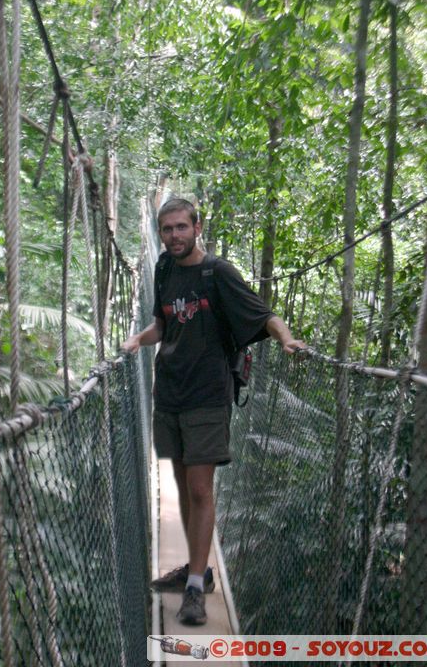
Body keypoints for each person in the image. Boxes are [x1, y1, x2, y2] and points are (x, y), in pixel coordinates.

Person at [122, 197, 305, 625]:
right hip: (169, 392)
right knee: (184, 487)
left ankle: (194, 588)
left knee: (201, 489)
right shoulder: (164, 268)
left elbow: (264, 314)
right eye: (166, 230)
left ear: (197, 227)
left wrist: (286, 338)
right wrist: (136, 341)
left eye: (181, 227)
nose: (173, 237)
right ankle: (197, 571)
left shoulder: (217, 272)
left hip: (207, 394)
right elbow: (163, 325)